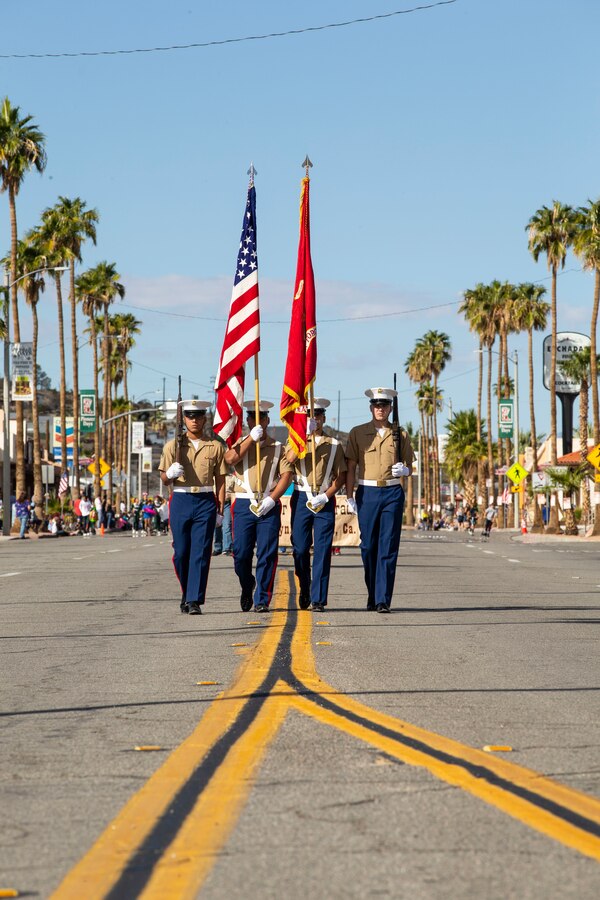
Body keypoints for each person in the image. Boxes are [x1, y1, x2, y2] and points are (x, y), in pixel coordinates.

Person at [345, 387, 414, 613]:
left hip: (392, 493)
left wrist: (404, 470)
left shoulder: (400, 434)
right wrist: (349, 495)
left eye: (384, 405)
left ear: (390, 408)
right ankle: (373, 593)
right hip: (368, 492)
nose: (380, 409)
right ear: (370, 408)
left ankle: (383, 599)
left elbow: (410, 466)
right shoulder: (358, 433)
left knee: (388, 546)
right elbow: (351, 466)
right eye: (376, 405)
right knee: (368, 547)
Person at [225, 400, 294, 613]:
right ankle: (247, 585)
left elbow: (286, 476)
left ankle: (262, 598)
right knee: (241, 554)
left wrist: (272, 499)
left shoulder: (276, 447)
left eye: (261, 418)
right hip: (245, 504)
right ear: (247, 420)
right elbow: (230, 459)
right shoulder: (240, 443)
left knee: (267, 553)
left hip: (267, 503)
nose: (257, 421)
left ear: (267, 420)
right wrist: (250, 440)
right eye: (252, 417)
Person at [159, 399, 226, 615]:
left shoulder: (215, 446)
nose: (194, 420)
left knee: (200, 552)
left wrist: (220, 510)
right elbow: (163, 477)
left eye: (198, 416)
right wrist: (169, 474)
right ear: (184, 419)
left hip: (205, 501)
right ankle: (187, 591)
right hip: (181, 500)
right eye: (189, 416)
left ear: (205, 418)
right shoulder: (173, 446)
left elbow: (221, 480)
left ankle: (194, 599)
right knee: (181, 553)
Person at [285, 397, 347, 611]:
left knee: (322, 549)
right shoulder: (296, 440)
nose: (315, 419)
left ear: (324, 418)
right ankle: (305, 584)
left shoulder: (334, 444)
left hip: (323, 499)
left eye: (318, 415)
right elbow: (289, 459)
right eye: (310, 415)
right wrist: (303, 435)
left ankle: (319, 598)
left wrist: (327, 495)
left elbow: (341, 476)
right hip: (302, 497)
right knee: (300, 548)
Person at [213, 470, 235, 555]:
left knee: (227, 525)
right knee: (217, 525)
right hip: (216, 502)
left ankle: (227, 548)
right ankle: (217, 547)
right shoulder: (214, 477)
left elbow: (234, 491)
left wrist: (229, 495)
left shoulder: (232, 477)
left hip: (227, 503)